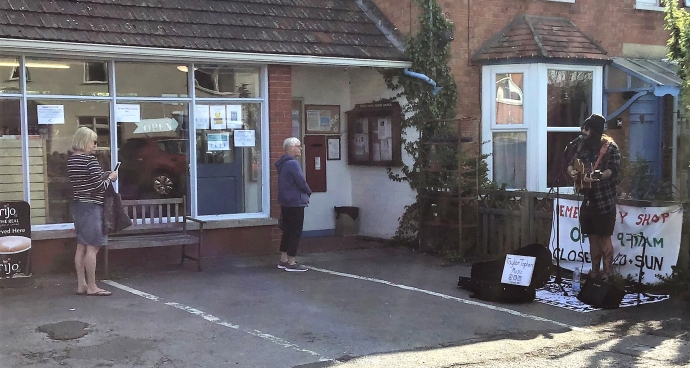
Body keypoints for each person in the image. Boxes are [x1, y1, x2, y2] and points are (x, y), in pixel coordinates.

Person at [567, 114, 621, 281]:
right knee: (592, 239)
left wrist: (598, 176)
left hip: (604, 201)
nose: (583, 131)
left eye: (587, 129)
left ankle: (607, 275)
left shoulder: (611, 148)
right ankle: (594, 272)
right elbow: (571, 164)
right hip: (588, 199)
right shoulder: (584, 146)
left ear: (595, 131)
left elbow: (612, 171)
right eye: (583, 128)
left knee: (604, 239)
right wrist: (573, 172)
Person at [68, 127, 118, 296]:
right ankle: (92, 286)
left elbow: (85, 182)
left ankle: (81, 284)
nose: (95, 145)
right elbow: (99, 187)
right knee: (93, 247)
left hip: (78, 205)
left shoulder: (72, 160)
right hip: (92, 206)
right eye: (93, 141)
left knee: (81, 245)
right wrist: (110, 178)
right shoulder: (90, 161)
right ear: (84, 141)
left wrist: (101, 176)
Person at [275, 137, 312, 272]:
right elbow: (301, 181)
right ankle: (291, 261)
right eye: (298, 146)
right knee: (295, 231)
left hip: (286, 202)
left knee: (287, 231)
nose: (300, 148)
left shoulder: (283, 164)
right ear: (290, 148)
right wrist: (309, 192)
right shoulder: (293, 164)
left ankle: (283, 259)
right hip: (295, 202)